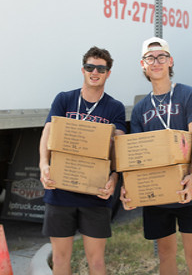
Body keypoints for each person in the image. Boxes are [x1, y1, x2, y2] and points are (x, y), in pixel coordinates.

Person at [120, 37, 192, 275]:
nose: (156, 62)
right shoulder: (140, 109)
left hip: (190, 191)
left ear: (170, 61)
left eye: (161, 57)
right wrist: (129, 187)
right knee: (166, 258)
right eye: (150, 58)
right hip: (157, 196)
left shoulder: (188, 95)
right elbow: (136, 155)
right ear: (142, 64)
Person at [39, 46, 126, 275]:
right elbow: (48, 131)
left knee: (96, 262)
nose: (94, 72)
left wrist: (115, 177)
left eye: (101, 68)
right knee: (59, 259)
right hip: (60, 190)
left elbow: (119, 146)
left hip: (95, 193)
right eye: (90, 67)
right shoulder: (65, 99)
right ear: (83, 70)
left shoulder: (114, 107)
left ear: (108, 73)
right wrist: (43, 165)